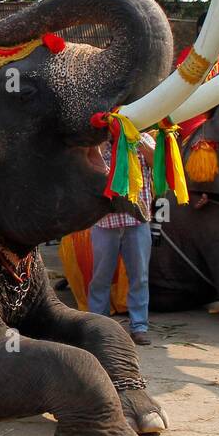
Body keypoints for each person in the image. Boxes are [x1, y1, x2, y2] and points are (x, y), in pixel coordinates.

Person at [88, 131, 157, 345]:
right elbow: (89, 165)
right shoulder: (97, 139)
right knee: (101, 276)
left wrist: (142, 146)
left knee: (140, 276)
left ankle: (139, 326)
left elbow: (159, 164)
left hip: (137, 221)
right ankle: (99, 326)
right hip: (105, 221)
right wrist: (101, 141)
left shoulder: (144, 138)